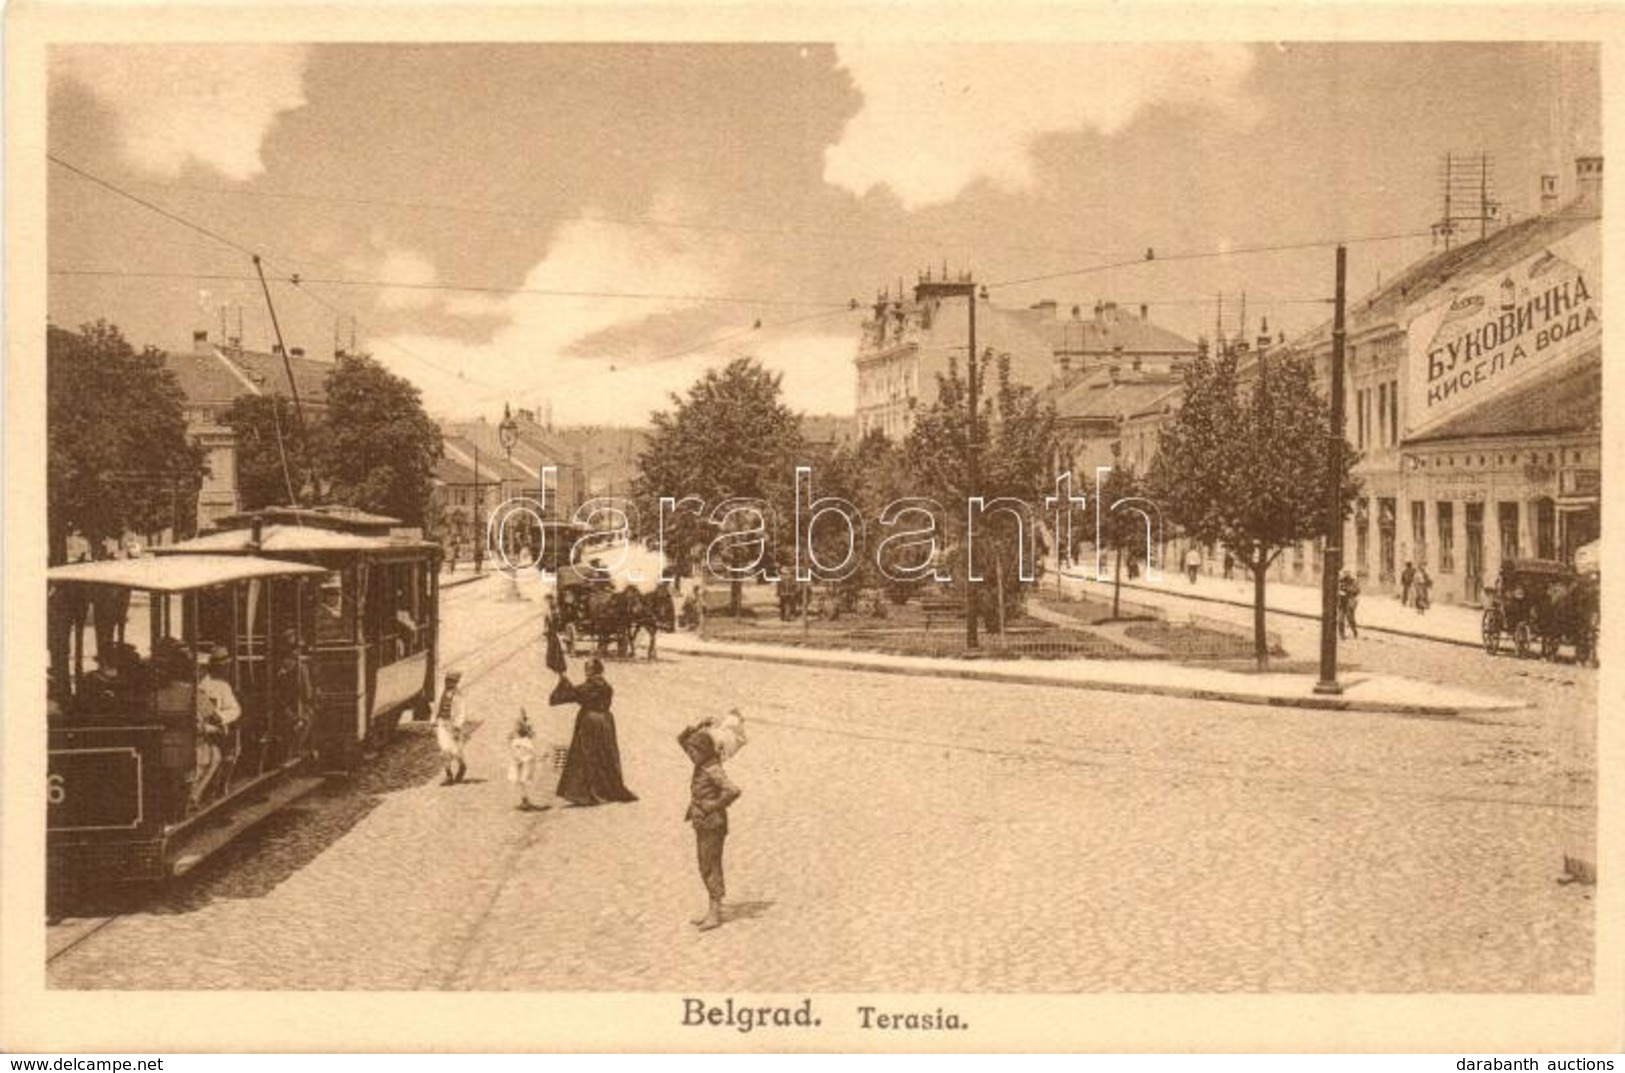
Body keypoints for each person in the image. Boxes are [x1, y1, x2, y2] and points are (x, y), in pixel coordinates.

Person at [679, 715, 744, 931]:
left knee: (710, 865)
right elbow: (683, 740)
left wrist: (712, 806)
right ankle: (712, 908)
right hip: (703, 822)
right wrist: (697, 727)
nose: (691, 755)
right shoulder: (703, 759)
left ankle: (715, 913)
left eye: (694, 751)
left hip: (713, 823)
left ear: (703, 750)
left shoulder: (712, 768)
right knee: (704, 864)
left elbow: (733, 790)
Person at [549, 656, 637, 806]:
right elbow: (578, 692)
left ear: (593, 670)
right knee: (607, 756)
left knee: (586, 756)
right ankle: (610, 789)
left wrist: (563, 680)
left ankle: (587, 793)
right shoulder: (606, 686)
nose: (586, 672)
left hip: (590, 723)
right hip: (606, 722)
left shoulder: (590, 685)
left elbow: (571, 695)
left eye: (587, 669)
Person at [191, 646, 242, 810]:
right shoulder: (188, 688)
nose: (197, 672)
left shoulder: (220, 686)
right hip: (194, 734)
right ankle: (194, 796)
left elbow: (235, 710)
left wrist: (220, 718)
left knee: (215, 755)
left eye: (200, 669)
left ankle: (200, 795)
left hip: (212, 733)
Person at [272, 629, 315, 766]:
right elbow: (307, 693)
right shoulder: (301, 668)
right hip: (293, 711)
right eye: (298, 649)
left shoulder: (277, 665)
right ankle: (296, 750)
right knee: (310, 715)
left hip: (279, 706)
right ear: (296, 650)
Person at [433, 670, 467, 785]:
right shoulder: (440, 692)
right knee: (444, 750)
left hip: (453, 726)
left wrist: (457, 726)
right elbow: (436, 707)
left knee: (456, 751)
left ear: (456, 683)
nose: (448, 684)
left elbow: (461, 712)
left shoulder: (458, 696)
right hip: (442, 724)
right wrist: (433, 720)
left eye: (452, 682)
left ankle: (462, 766)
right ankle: (449, 774)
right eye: (447, 681)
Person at [508, 708, 539, 810]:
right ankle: (525, 799)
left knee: (523, 781)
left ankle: (525, 800)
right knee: (522, 782)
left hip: (523, 763)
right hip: (522, 763)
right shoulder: (523, 742)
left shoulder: (521, 742)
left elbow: (526, 754)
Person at [1337, 569, 1361, 640]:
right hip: (1341, 602)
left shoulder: (1353, 581)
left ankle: (1354, 631)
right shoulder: (1340, 581)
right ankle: (1342, 635)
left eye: (1347, 572)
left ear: (1349, 573)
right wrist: (1339, 592)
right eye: (1344, 572)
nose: (1345, 574)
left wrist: (1346, 590)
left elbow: (1357, 590)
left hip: (1349, 602)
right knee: (1340, 619)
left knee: (1350, 619)